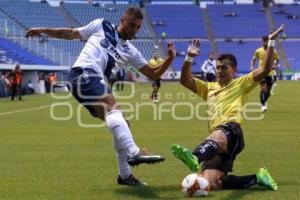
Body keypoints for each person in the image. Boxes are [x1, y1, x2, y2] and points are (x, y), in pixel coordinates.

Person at [26, 7, 176, 186]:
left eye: (137, 27)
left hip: (92, 80)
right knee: (112, 106)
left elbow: (152, 73)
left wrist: (170, 58)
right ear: (122, 20)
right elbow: (71, 33)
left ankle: (125, 175)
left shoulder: (130, 50)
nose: (134, 30)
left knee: (121, 123)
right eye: (131, 25)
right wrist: (43, 30)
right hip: (83, 72)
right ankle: (135, 152)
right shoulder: (101, 25)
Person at [171, 25, 285, 192]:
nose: (219, 70)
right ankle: (258, 178)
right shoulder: (208, 87)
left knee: (218, 135)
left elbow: (266, 69)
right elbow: (185, 80)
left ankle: (194, 156)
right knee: (211, 183)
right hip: (216, 142)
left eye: (224, 67)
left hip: (231, 130)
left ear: (234, 70)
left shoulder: (241, 83)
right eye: (217, 67)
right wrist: (188, 57)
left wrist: (271, 42)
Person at [250, 36, 279, 112]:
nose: (265, 43)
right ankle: (263, 105)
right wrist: (252, 66)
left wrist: (274, 65)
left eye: (267, 41)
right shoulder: (258, 51)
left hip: (270, 73)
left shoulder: (273, 51)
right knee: (263, 88)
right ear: (262, 42)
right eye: (264, 41)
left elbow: (277, 59)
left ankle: (264, 101)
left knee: (268, 91)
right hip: (261, 72)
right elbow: (254, 59)